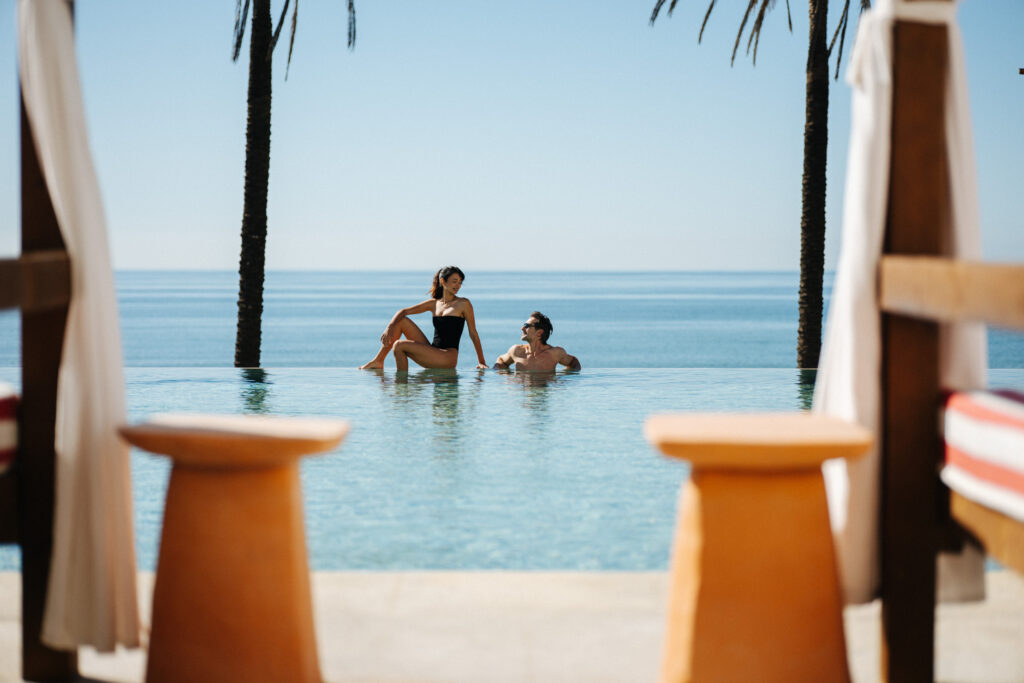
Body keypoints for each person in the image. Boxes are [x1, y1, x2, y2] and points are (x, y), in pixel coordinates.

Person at [359, 266, 488, 371]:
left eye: (460, 282)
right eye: (454, 281)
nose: (458, 285)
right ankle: (379, 360)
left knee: (399, 345)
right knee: (401, 321)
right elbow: (403, 311)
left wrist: (481, 361)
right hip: (432, 351)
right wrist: (389, 327)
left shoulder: (464, 304)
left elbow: (473, 333)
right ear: (443, 281)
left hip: (447, 357)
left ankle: (402, 388)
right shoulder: (434, 304)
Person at [493, 311, 580, 371]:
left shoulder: (555, 353)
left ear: (539, 333)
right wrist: (508, 377)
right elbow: (501, 361)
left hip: (544, 395)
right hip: (523, 397)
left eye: (527, 326)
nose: (522, 328)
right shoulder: (516, 351)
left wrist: (563, 380)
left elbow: (574, 363)